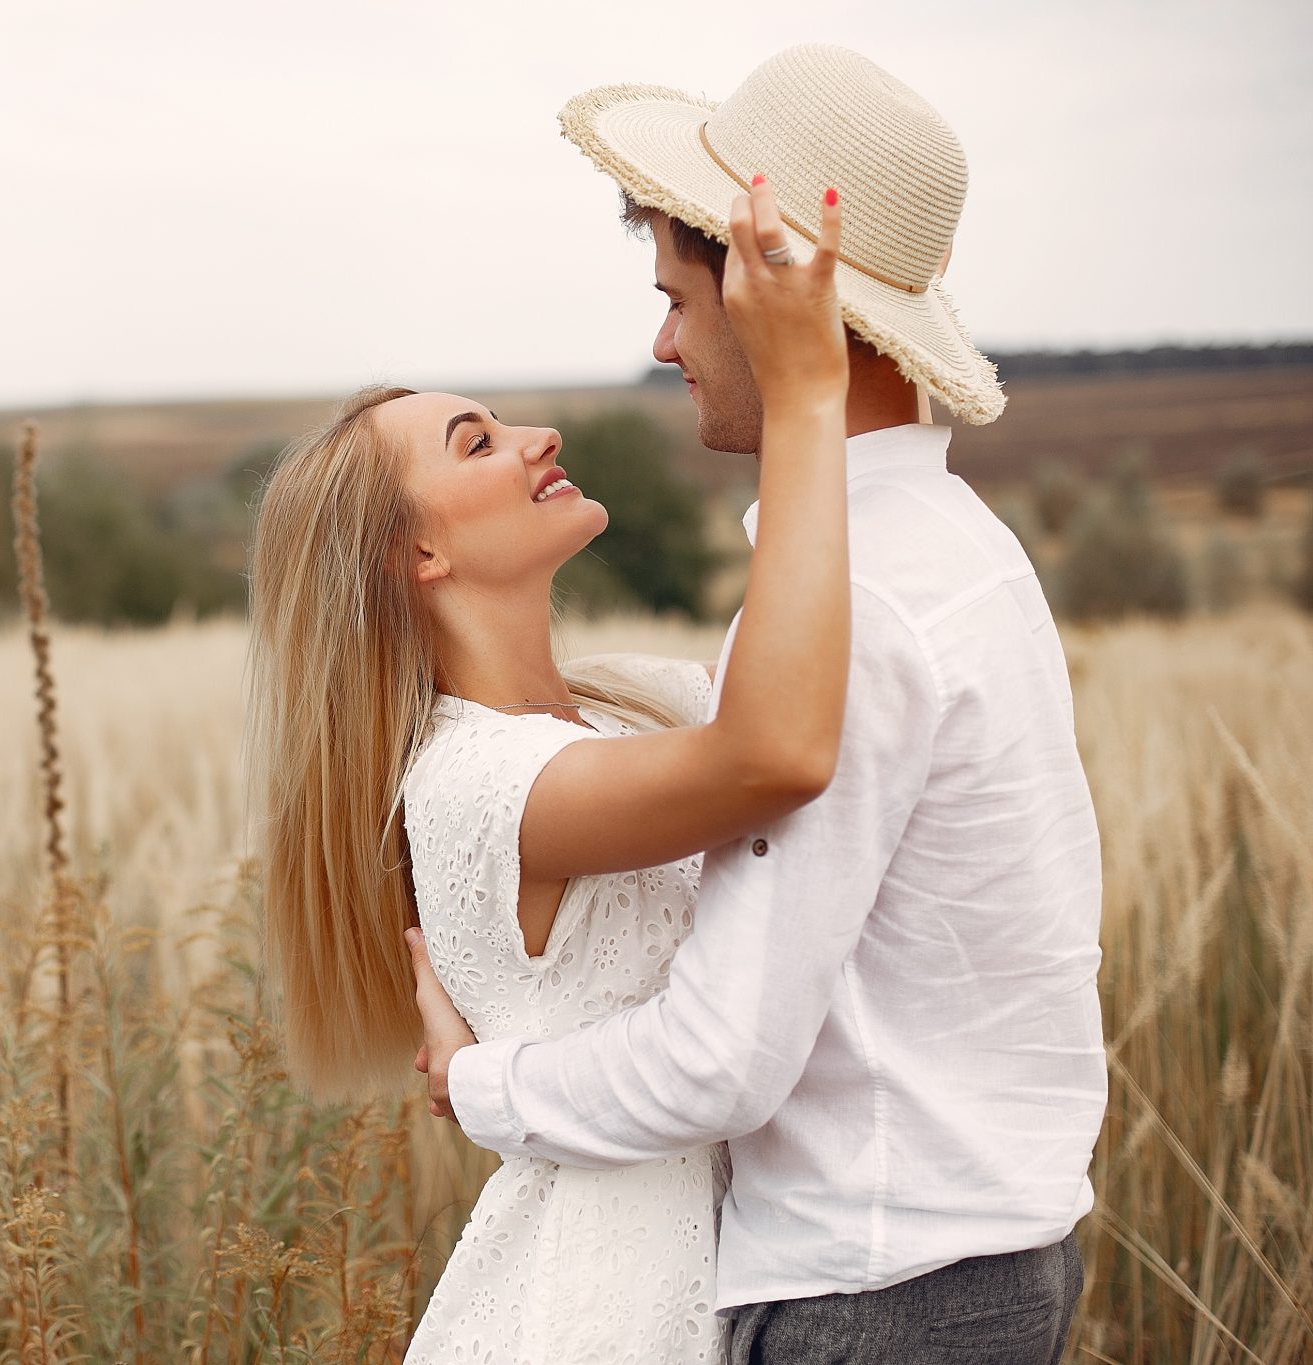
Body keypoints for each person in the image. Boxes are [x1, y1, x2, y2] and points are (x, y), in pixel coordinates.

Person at [406, 44, 1107, 1364]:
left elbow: (724, 1058)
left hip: (878, 1288)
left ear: (771, 295)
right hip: (970, 1259)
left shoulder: (866, 599)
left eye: (681, 295)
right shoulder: (953, 543)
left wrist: (476, 1082)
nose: (665, 340)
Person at [248, 163, 849, 1356]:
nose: (541, 436)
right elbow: (772, 748)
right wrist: (810, 400)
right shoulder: (476, 786)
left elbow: (815, 666)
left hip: (754, 1250)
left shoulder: (628, 705)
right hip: (609, 1294)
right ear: (415, 553)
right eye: (478, 442)